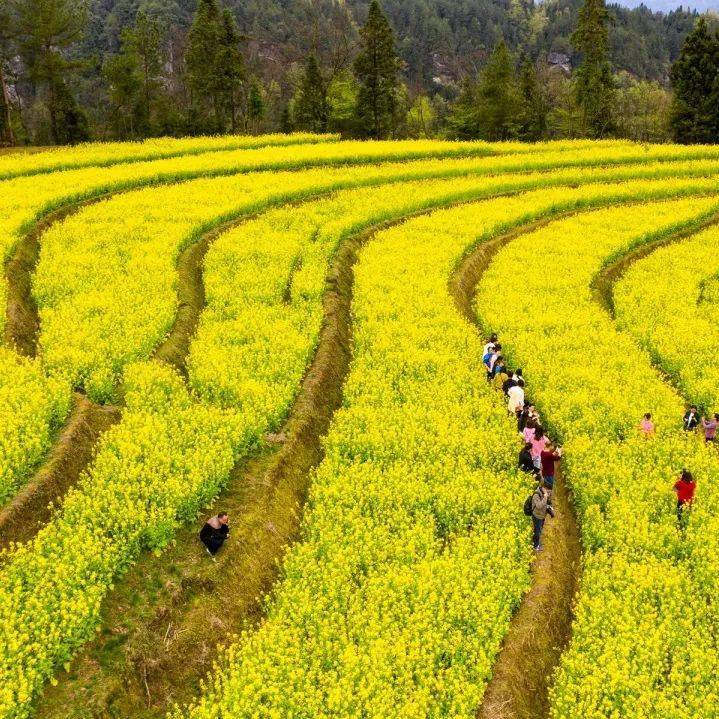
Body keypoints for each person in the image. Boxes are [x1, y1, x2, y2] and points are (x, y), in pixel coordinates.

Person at [531, 480, 554, 551]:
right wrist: (545, 497)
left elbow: (546, 503)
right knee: (537, 531)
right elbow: (539, 506)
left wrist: (549, 507)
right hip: (537, 516)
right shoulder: (536, 494)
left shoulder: (544, 493)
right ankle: (536, 546)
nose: (549, 492)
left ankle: (535, 542)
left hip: (542, 515)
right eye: (548, 491)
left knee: (539, 529)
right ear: (544, 488)